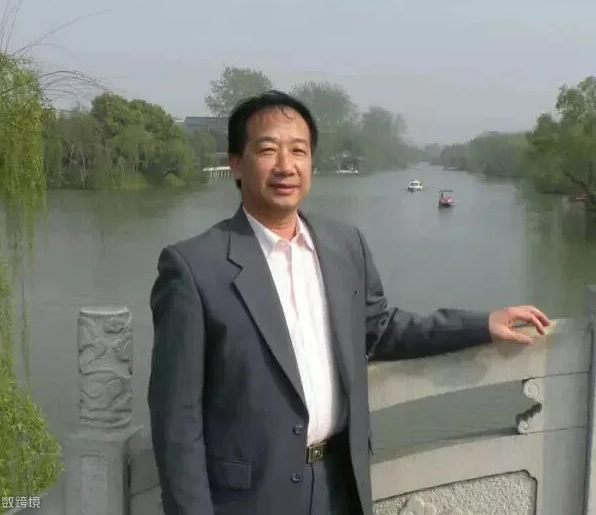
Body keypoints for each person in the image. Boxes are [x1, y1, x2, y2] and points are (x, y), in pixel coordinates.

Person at [147, 90, 550, 515]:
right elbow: (176, 421)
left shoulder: (343, 244)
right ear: (236, 163)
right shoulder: (194, 268)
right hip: (250, 497)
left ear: (311, 163)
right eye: (267, 150)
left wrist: (482, 324)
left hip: (340, 485)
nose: (286, 165)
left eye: (298, 151)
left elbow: (380, 329)